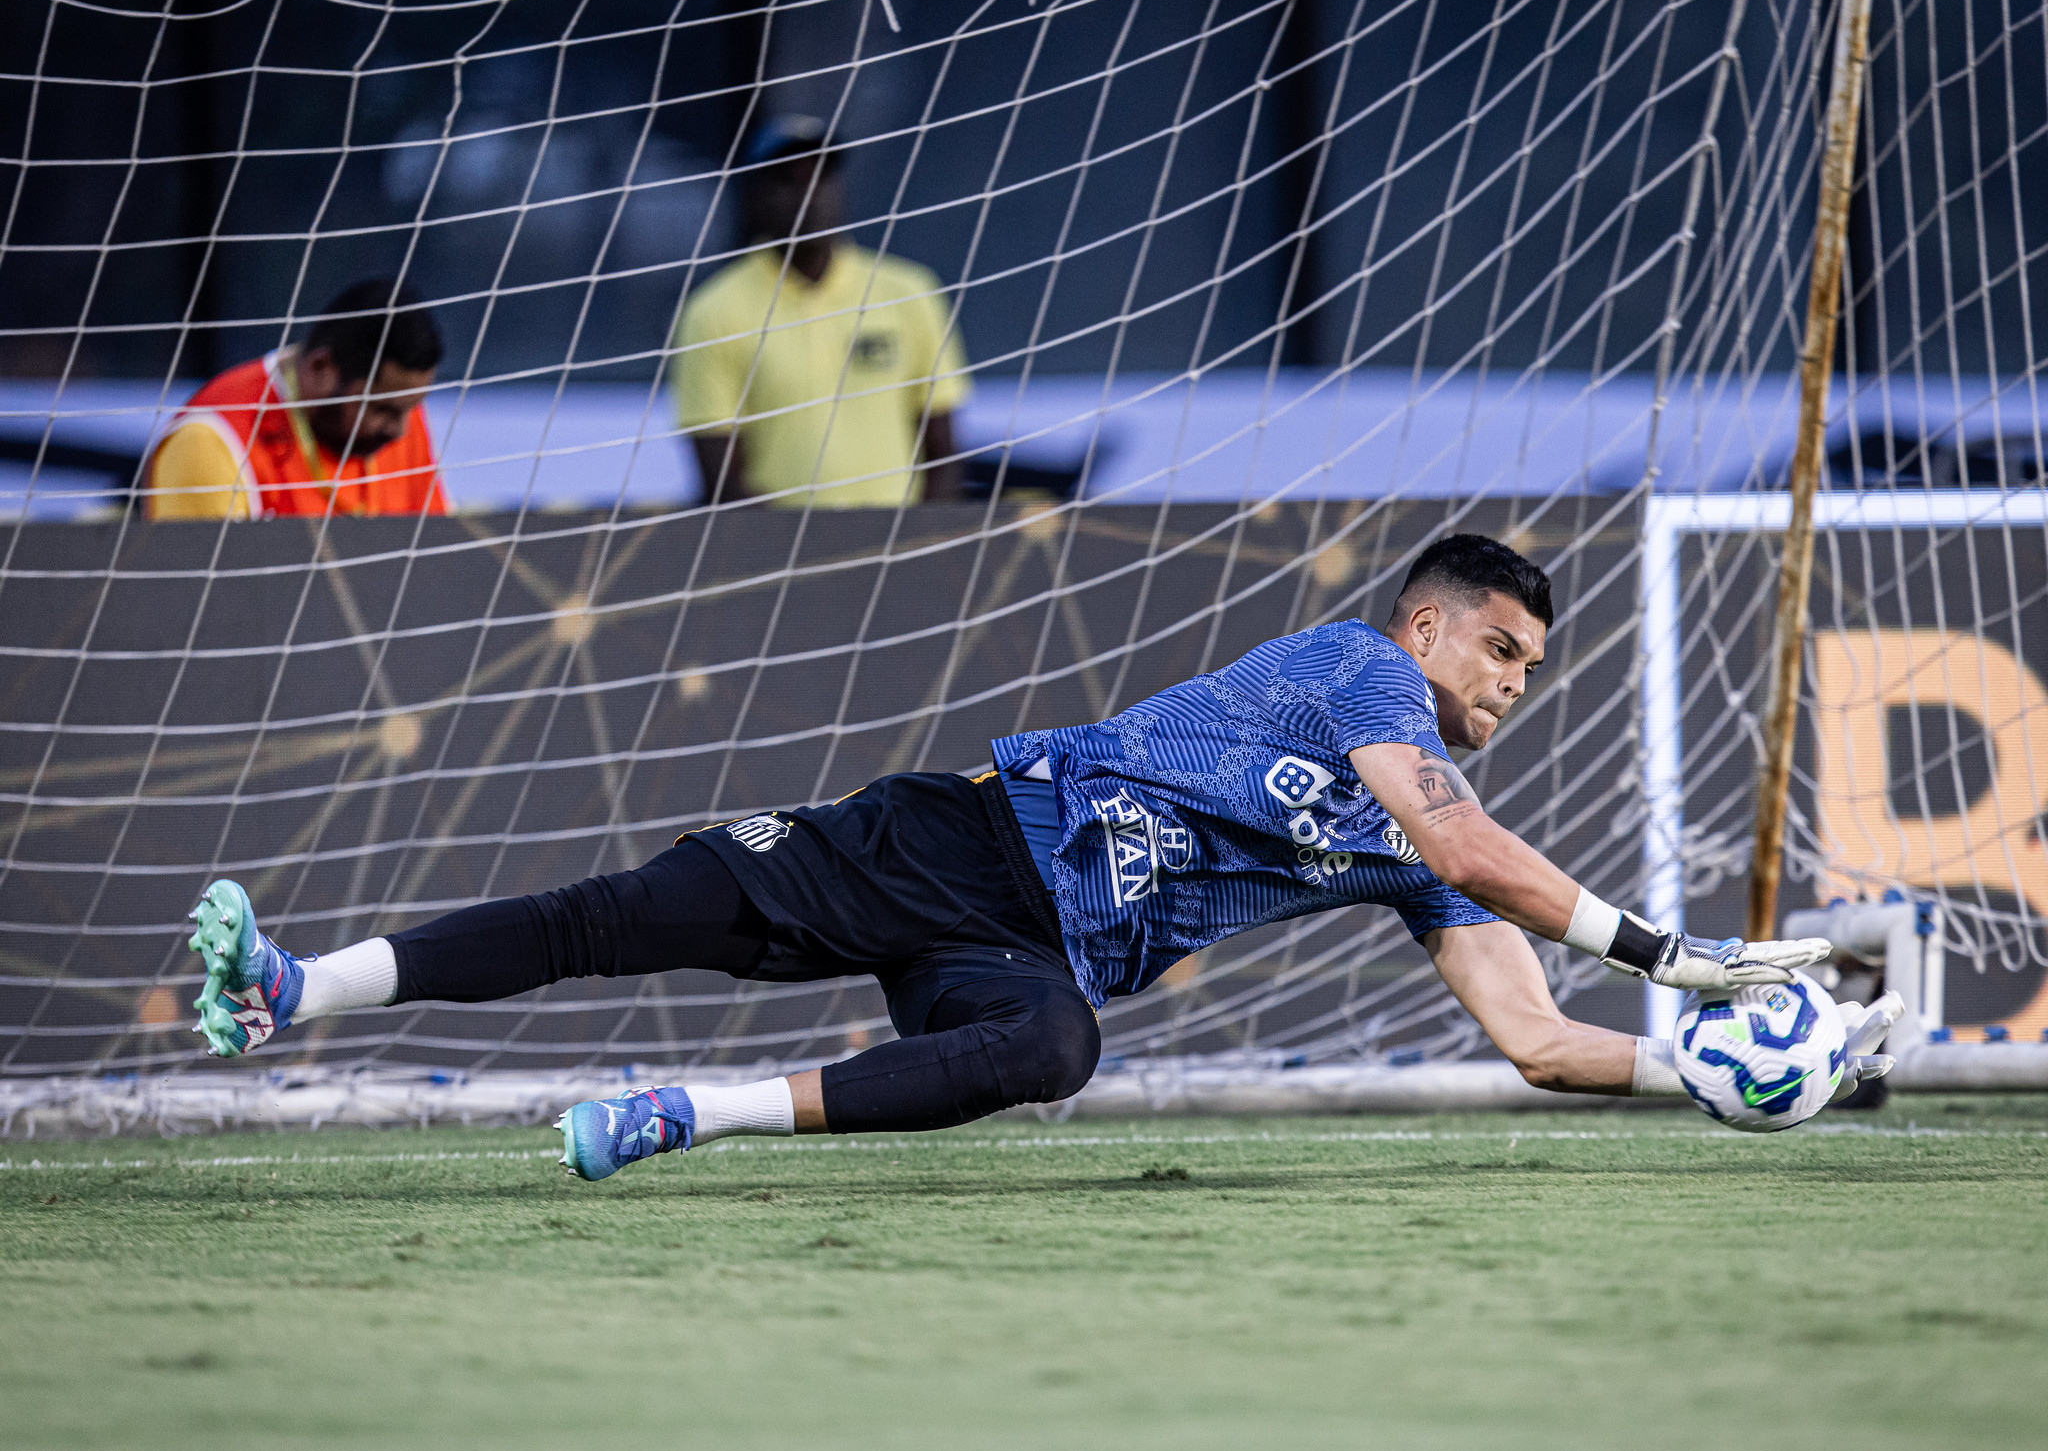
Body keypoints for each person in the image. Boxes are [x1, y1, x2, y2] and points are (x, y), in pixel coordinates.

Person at [181, 534, 1893, 1175]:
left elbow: (1529, 1038)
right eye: (1502, 653)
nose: (1511, 688)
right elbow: (1468, 839)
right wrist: (1682, 961)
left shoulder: (1429, 851)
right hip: (962, 834)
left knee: (1051, 1046)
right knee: (621, 911)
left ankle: (673, 1116)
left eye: (1530, 672)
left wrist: (1713, 1070)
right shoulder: (1361, 671)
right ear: (1429, 627)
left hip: (1031, 948)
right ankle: (291, 985)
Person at [669, 114, 972, 508]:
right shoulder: (713, 311)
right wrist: (802, 550)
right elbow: (721, 479)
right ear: (754, 197)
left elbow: (945, 453)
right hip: (782, 556)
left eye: (821, 177)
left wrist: (916, 547)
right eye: (788, 180)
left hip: (896, 550)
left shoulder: (910, 292)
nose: (808, 194)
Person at [144, 279, 445, 521]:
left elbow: (431, 568)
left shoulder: (401, 411)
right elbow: (198, 595)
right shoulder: (212, 442)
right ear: (320, 368)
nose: (400, 430)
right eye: (381, 409)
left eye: (411, 407)